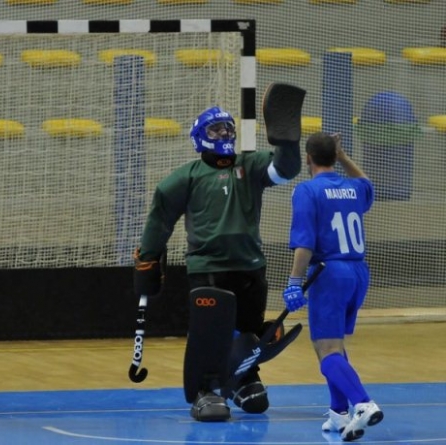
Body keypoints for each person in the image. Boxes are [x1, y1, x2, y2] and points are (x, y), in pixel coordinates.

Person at [133, 105, 301, 420]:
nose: (224, 133)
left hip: (251, 266)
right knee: (210, 335)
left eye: (227, 127)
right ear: (199, 139)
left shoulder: (251, 165)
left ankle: (244, 376)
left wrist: (287, 141)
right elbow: (160, 220)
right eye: (215, 129)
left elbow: (285, 169)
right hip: (209, 269)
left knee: (249, 330)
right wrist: (148, 258)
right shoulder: (185, 178)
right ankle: (205, 389)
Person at [282, 132, 383, 441]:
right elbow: (368, 184)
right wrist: (344, 156)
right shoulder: (353, 188)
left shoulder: (307, 190)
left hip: (329, 273)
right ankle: (339, 414)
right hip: (358, 272)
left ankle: (363, 404)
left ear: (308, 159)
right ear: (334, 156)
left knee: (326, 350)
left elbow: (304, 244)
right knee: (333, 346)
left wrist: (294, 282)